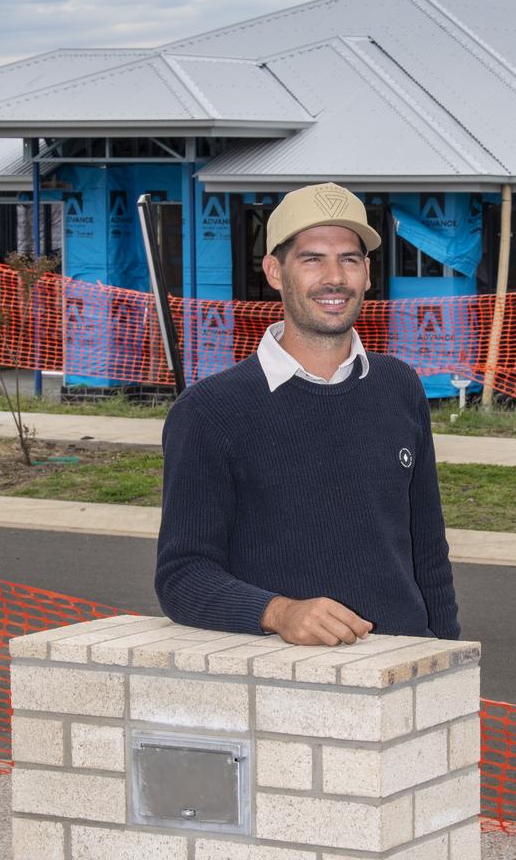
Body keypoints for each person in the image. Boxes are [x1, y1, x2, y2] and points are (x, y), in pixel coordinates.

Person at [155, 182, 460, 645]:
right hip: (288, 680)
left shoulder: (398, 386)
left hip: (403, 667)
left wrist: (449, 659)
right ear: (275, 271)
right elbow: (182, 577)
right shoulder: (209, 412)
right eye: (312, 258)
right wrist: (278, 612)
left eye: (349, 259)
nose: (334, 277)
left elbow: (428, 552)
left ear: (368, 273)